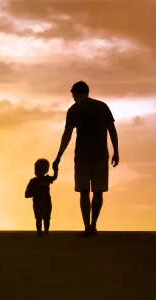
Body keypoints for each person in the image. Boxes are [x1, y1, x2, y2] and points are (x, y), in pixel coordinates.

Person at [52, 81, 119, 237]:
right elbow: (112, 131)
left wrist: (59, 156)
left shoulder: (74, 109)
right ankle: (93, 225)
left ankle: (87, 226)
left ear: (76, 93)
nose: (73, 98)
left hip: (82, 155)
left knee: (84, 191)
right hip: (101, 154)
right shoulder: (103, 106)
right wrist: (116, 151)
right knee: (98, 191)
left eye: (73, 95)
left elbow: (67, 134)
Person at [25, 158, 58, 236]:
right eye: (35, 169)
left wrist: (56, 170)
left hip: (46, 201)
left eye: (38, 169)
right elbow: (27, 194)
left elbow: (54, 178)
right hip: (37, 202)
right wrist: (34, 192)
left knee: (47, 217)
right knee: (38, 218)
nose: (36, 171)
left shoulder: (47, 179)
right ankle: (39, 232)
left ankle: (46, 231)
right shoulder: (33, 181)